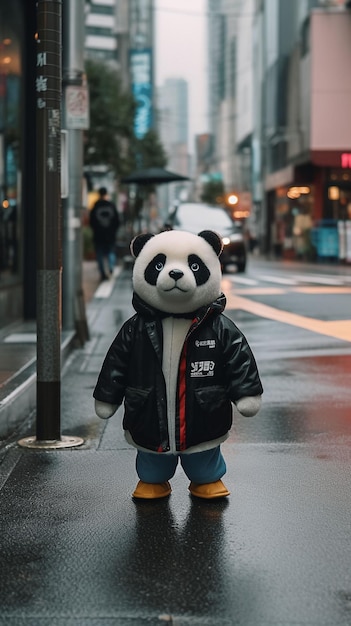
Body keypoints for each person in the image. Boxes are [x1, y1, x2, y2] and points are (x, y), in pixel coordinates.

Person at [89, 187, 120, 280]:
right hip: (110, 235)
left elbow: (92, 221)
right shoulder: (111, 205)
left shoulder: (95, 206)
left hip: (98, 235)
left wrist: (96, 230)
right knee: (111, 252)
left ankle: (102, 273)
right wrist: (113, 231)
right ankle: (111, 268)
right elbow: (117, 221)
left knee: (100, 255)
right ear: (106, 194)